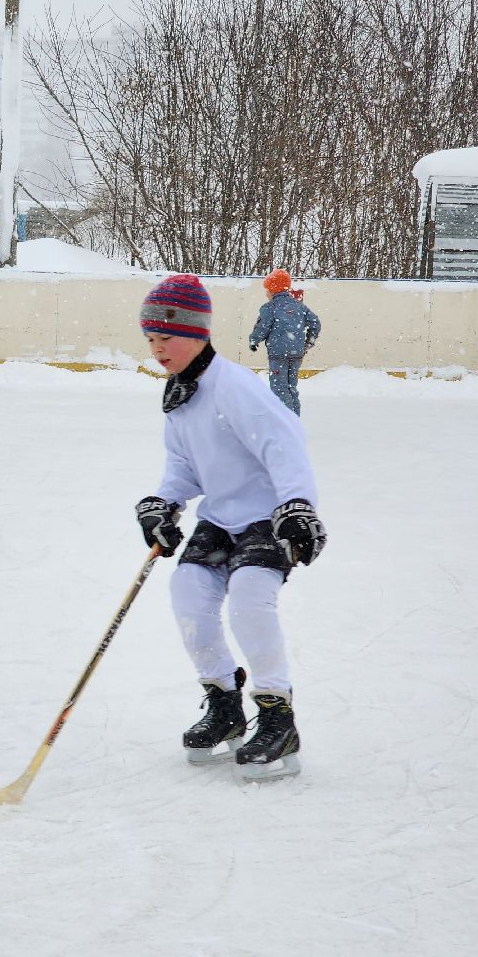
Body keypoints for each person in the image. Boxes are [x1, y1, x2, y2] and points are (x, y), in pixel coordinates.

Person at [134, 273, 327, 780]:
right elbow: (183, 466)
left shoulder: (235, 387)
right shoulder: (180, 397)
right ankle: (223, 705)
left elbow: (283, 444)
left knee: (248, 600)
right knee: (188, 595)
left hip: (267, 517)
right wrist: (163, 502)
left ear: (197, 333)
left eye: (166, 339)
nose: (157, 350)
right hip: (221, 517)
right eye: (151, 340)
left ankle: (277, 716)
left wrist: (298, 506)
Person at [249, 269, 321, 415]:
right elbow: (315, 323)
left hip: (278, 354)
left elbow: (263, 327)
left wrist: (254, 340)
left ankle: (286, 423)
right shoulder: (299, 306)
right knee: (291, 388)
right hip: (296, 354)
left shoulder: (270, 307)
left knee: (279, 388)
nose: (266, 293)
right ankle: (294, 419)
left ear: (273, 290)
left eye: (267, 290)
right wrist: (308, 343)